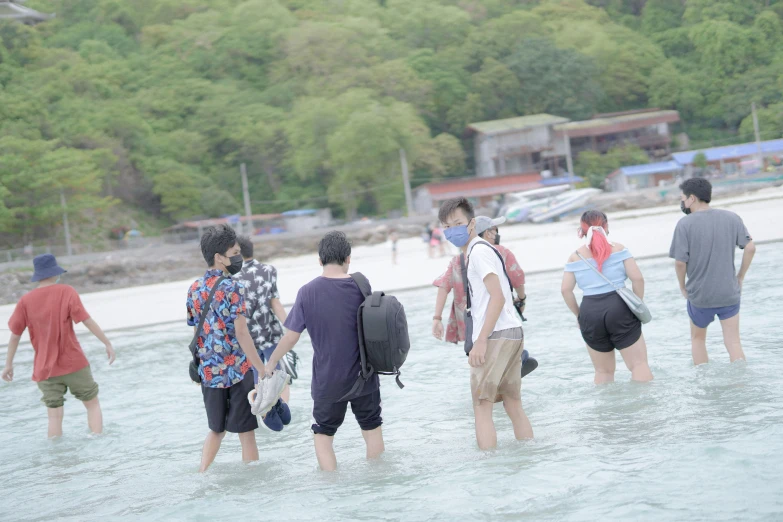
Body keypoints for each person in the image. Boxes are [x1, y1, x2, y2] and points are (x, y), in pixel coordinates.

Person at [264, 231, 384, 471]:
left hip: (328, 381)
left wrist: (271, 363)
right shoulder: (362, 285)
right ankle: (378, 484)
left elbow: (291, 337)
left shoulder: (307, 292)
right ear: (348, 258)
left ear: (319, 260)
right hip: (365, 376)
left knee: (323, 436)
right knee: (372, 430)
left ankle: (332, 489)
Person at [439, 197, 533, 450]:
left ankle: (488, 470)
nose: (452, 230)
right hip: (512, 331)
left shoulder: (478, 252)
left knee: (482, 405)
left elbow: (498, 296)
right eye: (446, 226)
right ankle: (529, 453)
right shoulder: (482, 250)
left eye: (457, 223)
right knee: (513, 403)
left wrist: (481, 341)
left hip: (495, 335)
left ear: (471, 224)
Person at [1, 254, 115, 438]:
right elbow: (86, 320)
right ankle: (97, 443)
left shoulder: (25, 301)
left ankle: (56, 462)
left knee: (54, 418)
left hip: (45, 370)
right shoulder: (66, 291)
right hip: (74, 363)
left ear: (38, 274)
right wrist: (107, 343)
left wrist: (8, 364)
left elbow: (14, 336)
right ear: (55, 272)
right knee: (92, 405)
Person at [186, 225, 267, 473]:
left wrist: (200, 368)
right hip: (237, 370)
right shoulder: (234, 287)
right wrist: (262, 369)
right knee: (246, 432)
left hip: (210, 372)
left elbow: (196, 334)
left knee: (216, 430)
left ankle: (201, 473)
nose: (237, 257)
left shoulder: (194, 289)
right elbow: (242, 334)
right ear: (219, 257)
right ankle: (253, 481)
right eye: (233, 252)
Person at [432, 216, 538, 378]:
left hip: (470, 322)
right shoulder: (500, 252)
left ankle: (495, 378)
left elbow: (443, 286)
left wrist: (437, 318)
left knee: (479, 360)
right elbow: (517, 277)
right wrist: (521, 299)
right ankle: (518, 361)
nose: (496, 233)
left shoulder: (457, 260)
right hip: (498, 318)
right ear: (487, 233)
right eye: (495, 229)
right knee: (507, 350)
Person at [669, 178, 756, 365]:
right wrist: (740, 277)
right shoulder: (731, 217)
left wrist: (682, 287)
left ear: (692, 198)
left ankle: (703, 384)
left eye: (683, 198)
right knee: (733, 341)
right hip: (728, 292)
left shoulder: (684, 224)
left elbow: (679, 263)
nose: (682, 202)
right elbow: (750, 248)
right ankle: (741, 382)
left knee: (698, 340)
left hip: (700, 295)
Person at [561, 211, 654, 384]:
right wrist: (636, 304)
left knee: (603, 372)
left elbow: (566, 290)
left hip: (589, 312)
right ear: (606, 227)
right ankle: (646, 409)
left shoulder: (575, 256)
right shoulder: (619, 249)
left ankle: (606, 411)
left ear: (581, 230)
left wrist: (579, 315)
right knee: (638, 365)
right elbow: (637, 279)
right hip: (619, 307)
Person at [234, 235, 293, 432]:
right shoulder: (268, 270)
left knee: (258, 377)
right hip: (271, 335)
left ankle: (266, 409)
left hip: (246, 340)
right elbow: (275, 303)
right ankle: (281, 407)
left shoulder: (231, 279)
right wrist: (291, 327)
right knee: (280, 376)